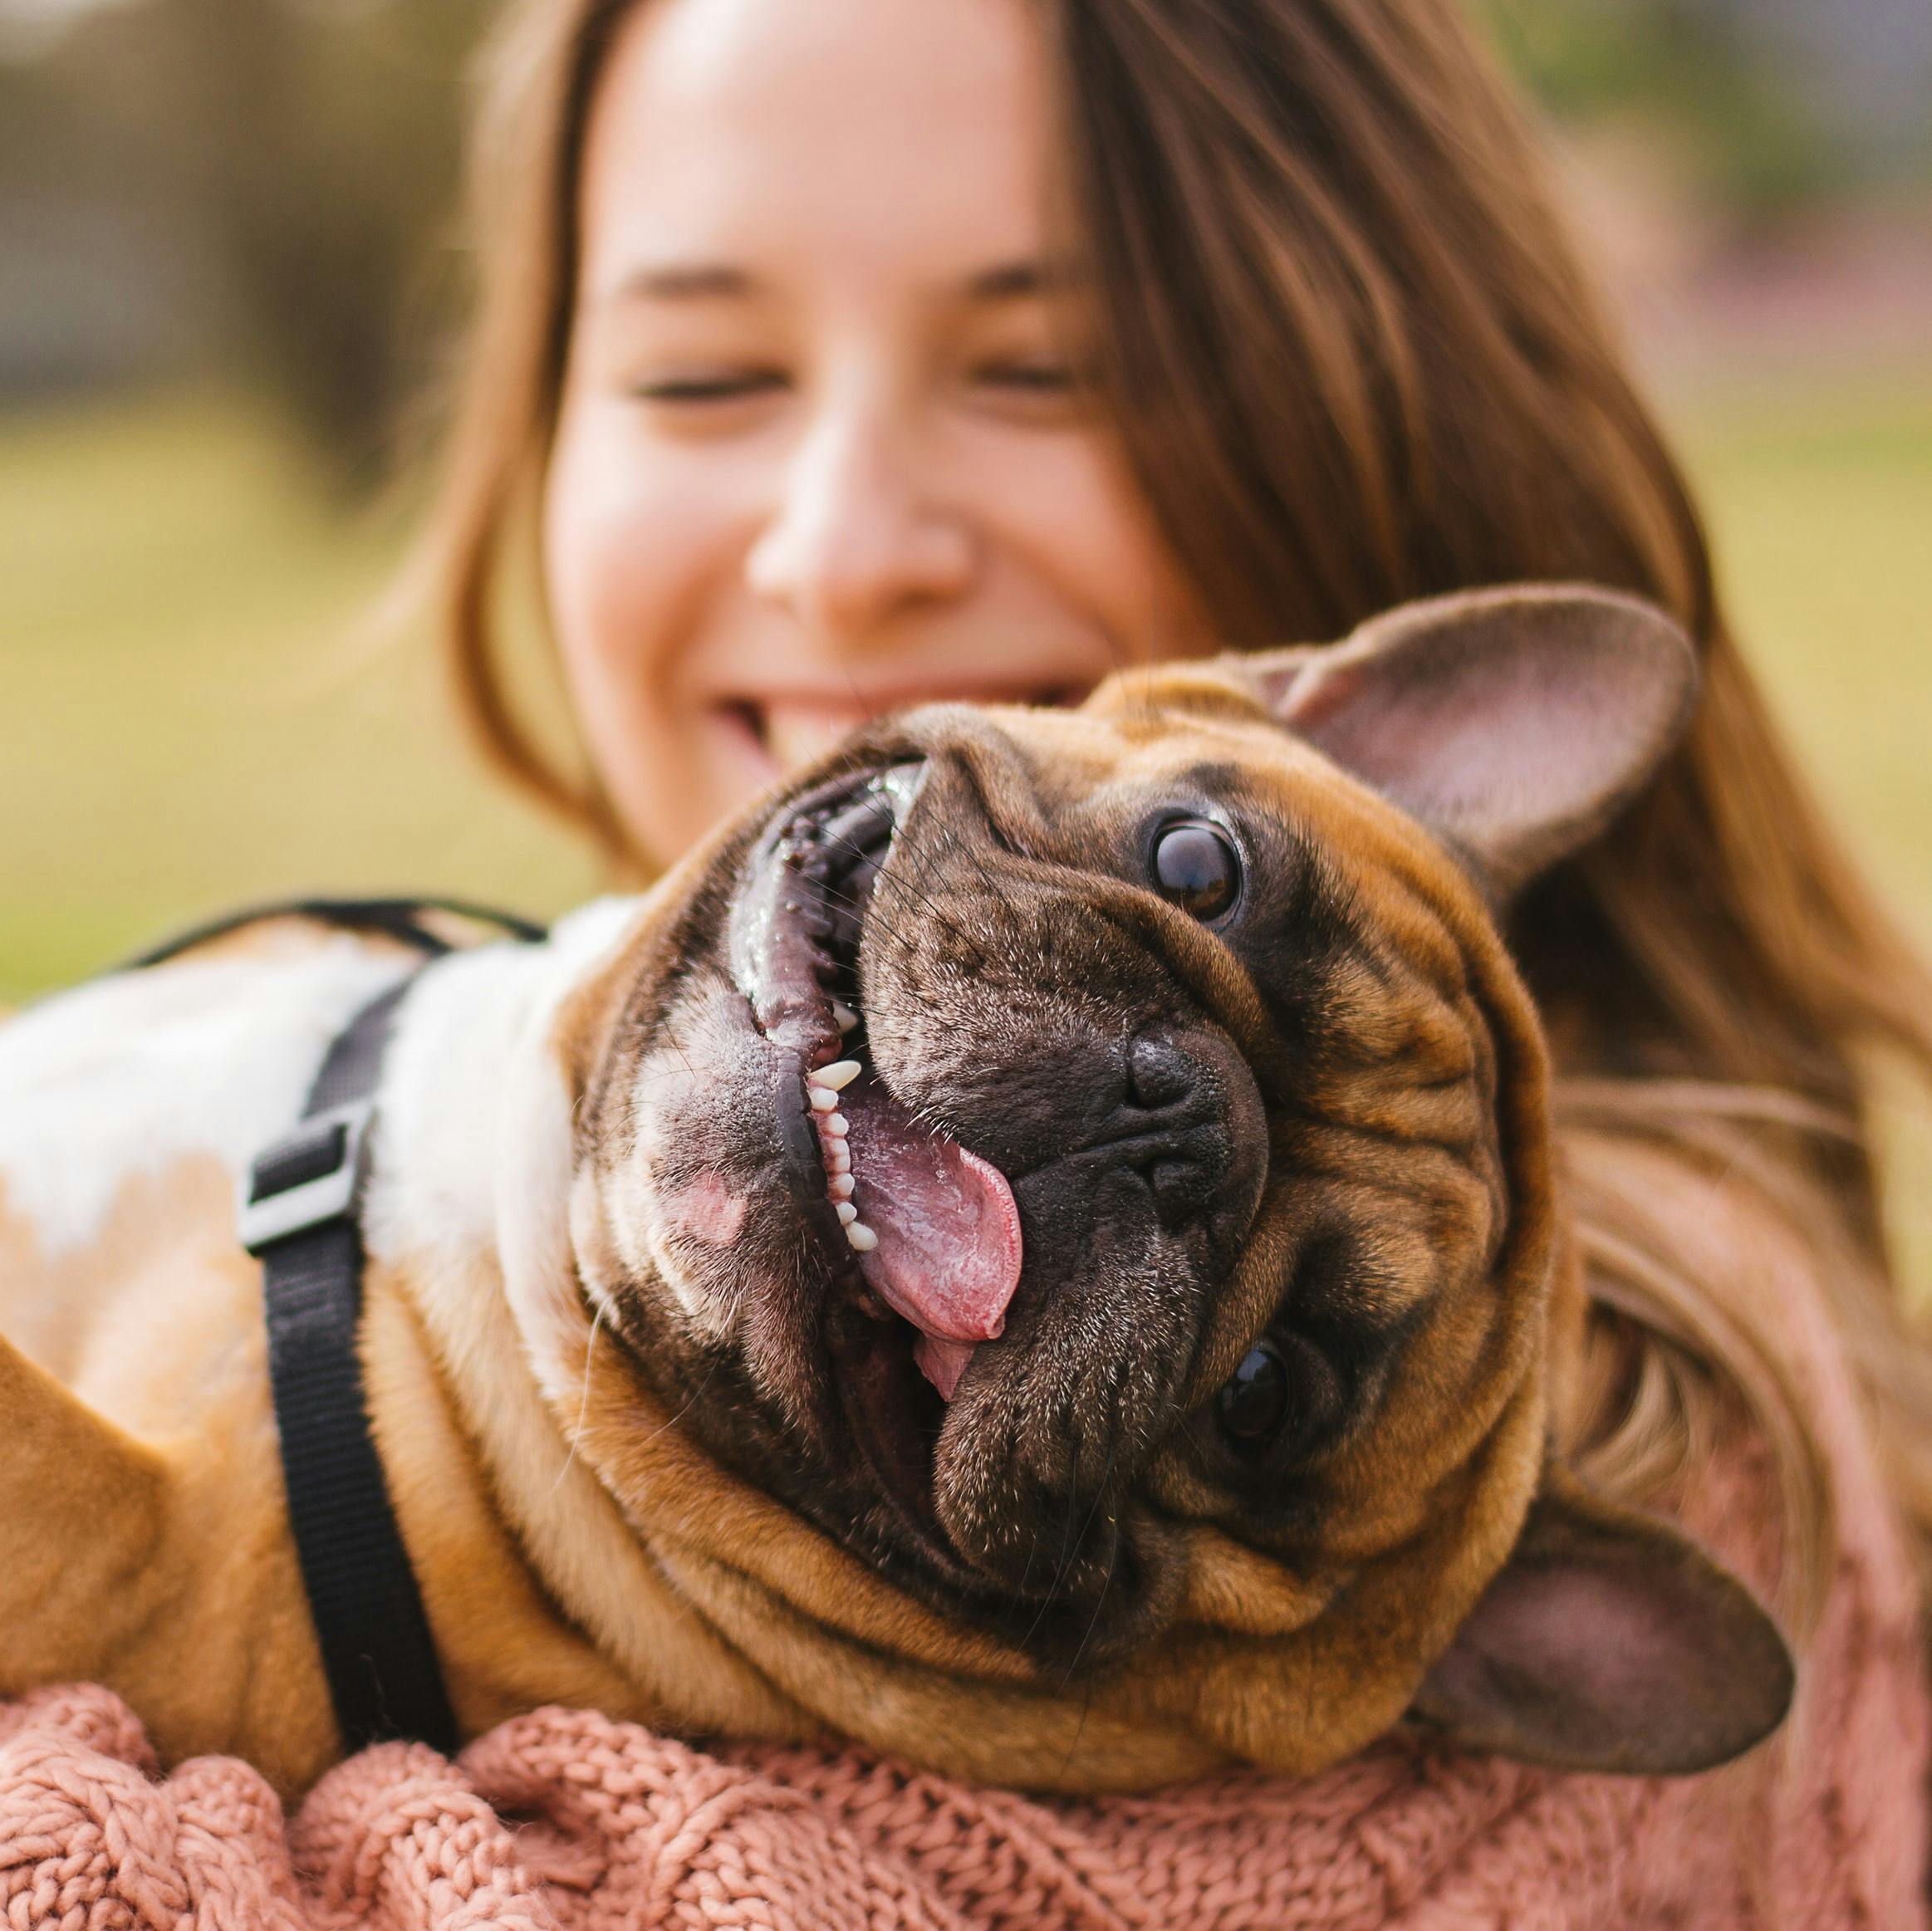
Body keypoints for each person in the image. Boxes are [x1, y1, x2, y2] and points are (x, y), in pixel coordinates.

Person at [414, 0, 1932, 1911]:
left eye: (1044, 372)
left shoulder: (1585, 1419)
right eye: (705, 375)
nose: (841, 547)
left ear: (1395, 425)